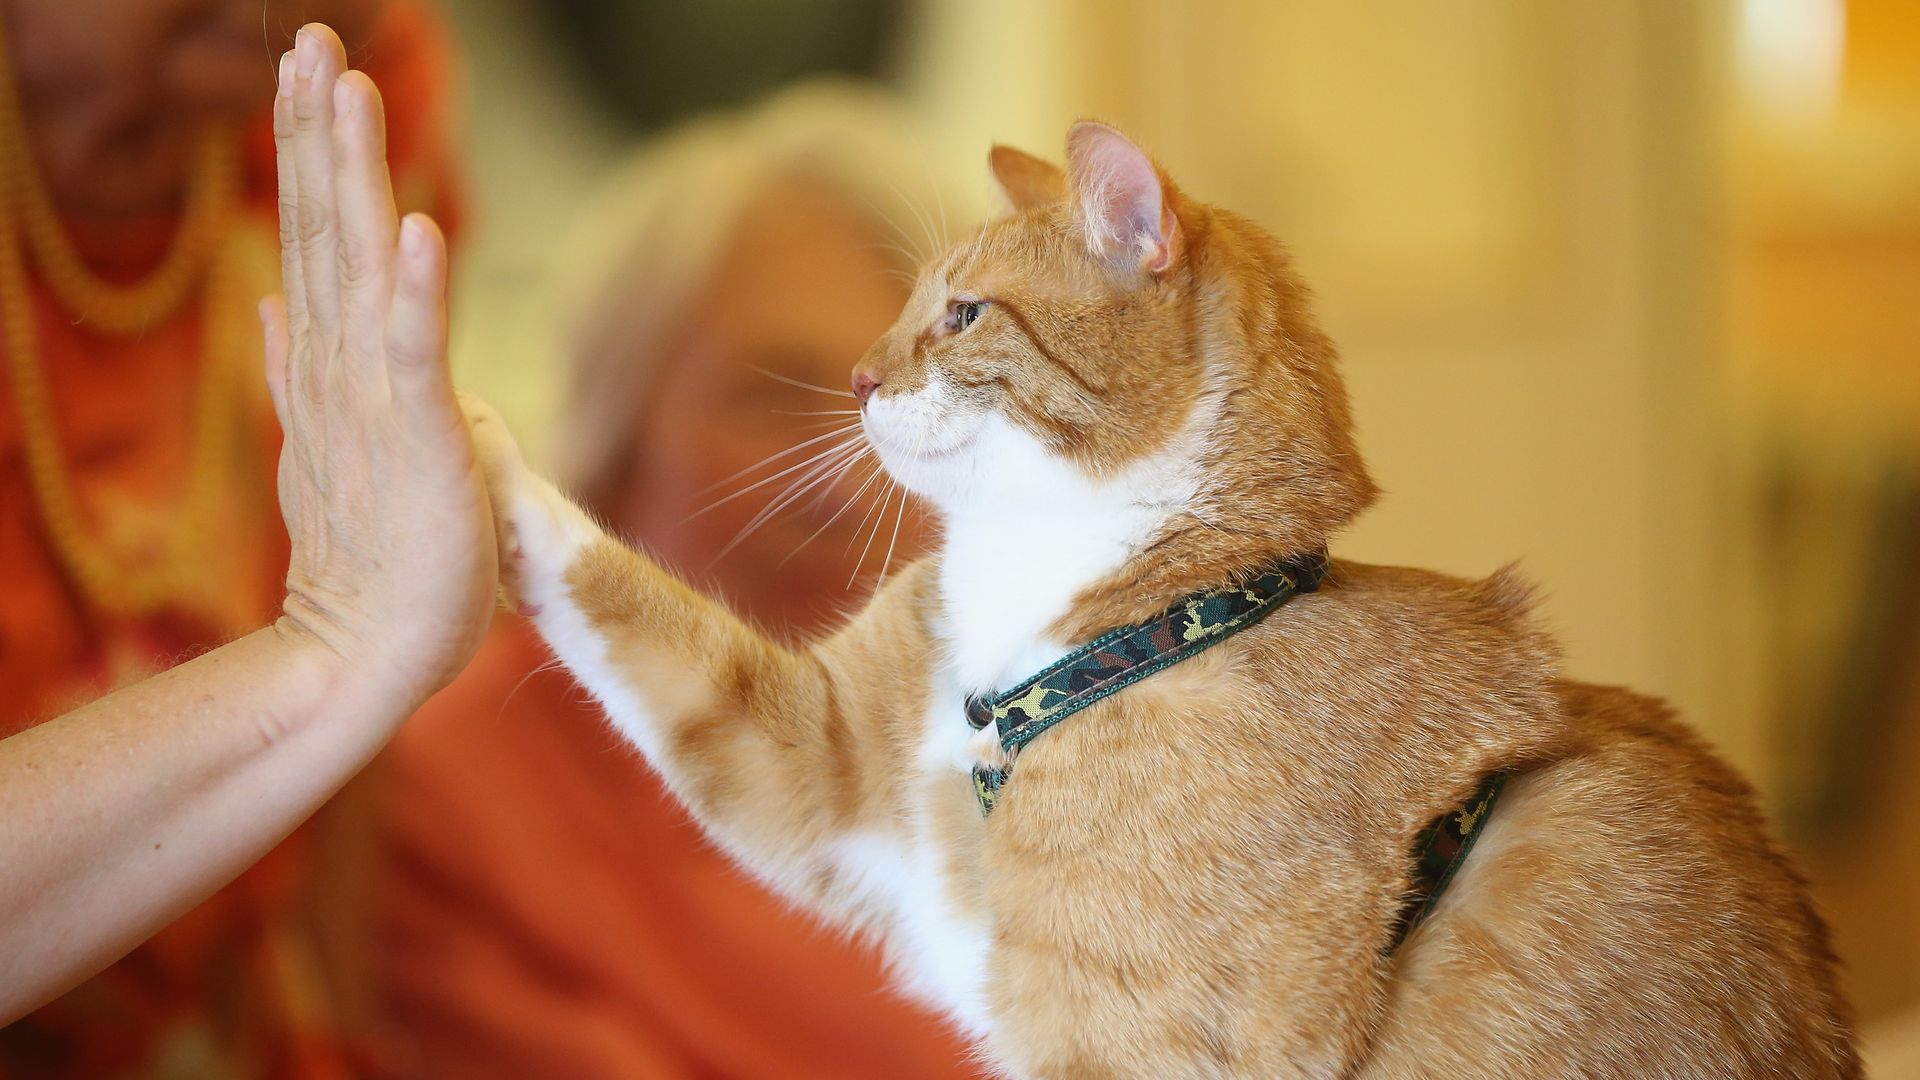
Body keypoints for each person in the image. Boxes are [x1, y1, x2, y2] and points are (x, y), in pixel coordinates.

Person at [365, 86, 987, 1077]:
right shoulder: (462, 796)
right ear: (609, 445)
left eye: (922, 412)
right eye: (773, 396)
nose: (845, 484)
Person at [0, 15, 470, 1076]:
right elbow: (375, 626)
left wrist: (342, 1035)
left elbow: (373, 705)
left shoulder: (352, 78)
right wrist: (339, 652)